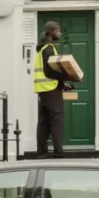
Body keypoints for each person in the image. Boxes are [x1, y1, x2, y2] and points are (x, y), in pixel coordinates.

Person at [34, 21, 68, 157]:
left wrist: (63, 83)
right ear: (50, 32)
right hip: (51, 89)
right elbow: (49, 71)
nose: (59, 33)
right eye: (57, 30)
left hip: (43, 90)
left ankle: (41, 153)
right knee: (56, 121)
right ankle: (58, 153)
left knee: (44, 122)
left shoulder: (42, 48)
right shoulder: (49, 48)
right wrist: (66, 76)